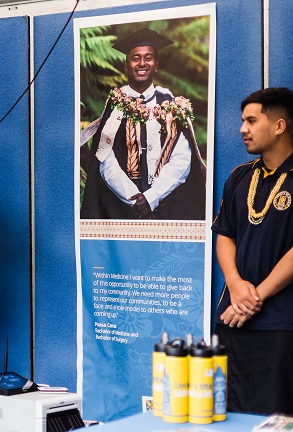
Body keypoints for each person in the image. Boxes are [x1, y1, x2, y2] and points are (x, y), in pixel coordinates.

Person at [213, 87, 293, 415]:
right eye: (242, 121)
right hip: (233, 320)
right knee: (228, 412)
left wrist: (254, 298)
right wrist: (233, 283)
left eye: (251, 120)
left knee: (275, 417)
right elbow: (224, 235)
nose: (242, 129)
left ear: (279, 126)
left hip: (280, 325)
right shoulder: (239, 177)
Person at [80, 28, 206, 219]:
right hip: (121, 209)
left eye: (148, 58)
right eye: (135, 58)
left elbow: (182, 159)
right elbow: (105, 157)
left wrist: (151, 197)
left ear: (156, 65)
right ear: (126, 66)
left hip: (166, 206)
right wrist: (134, 199)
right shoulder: (115, 105)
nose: (142, 63)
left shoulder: (171, 104)